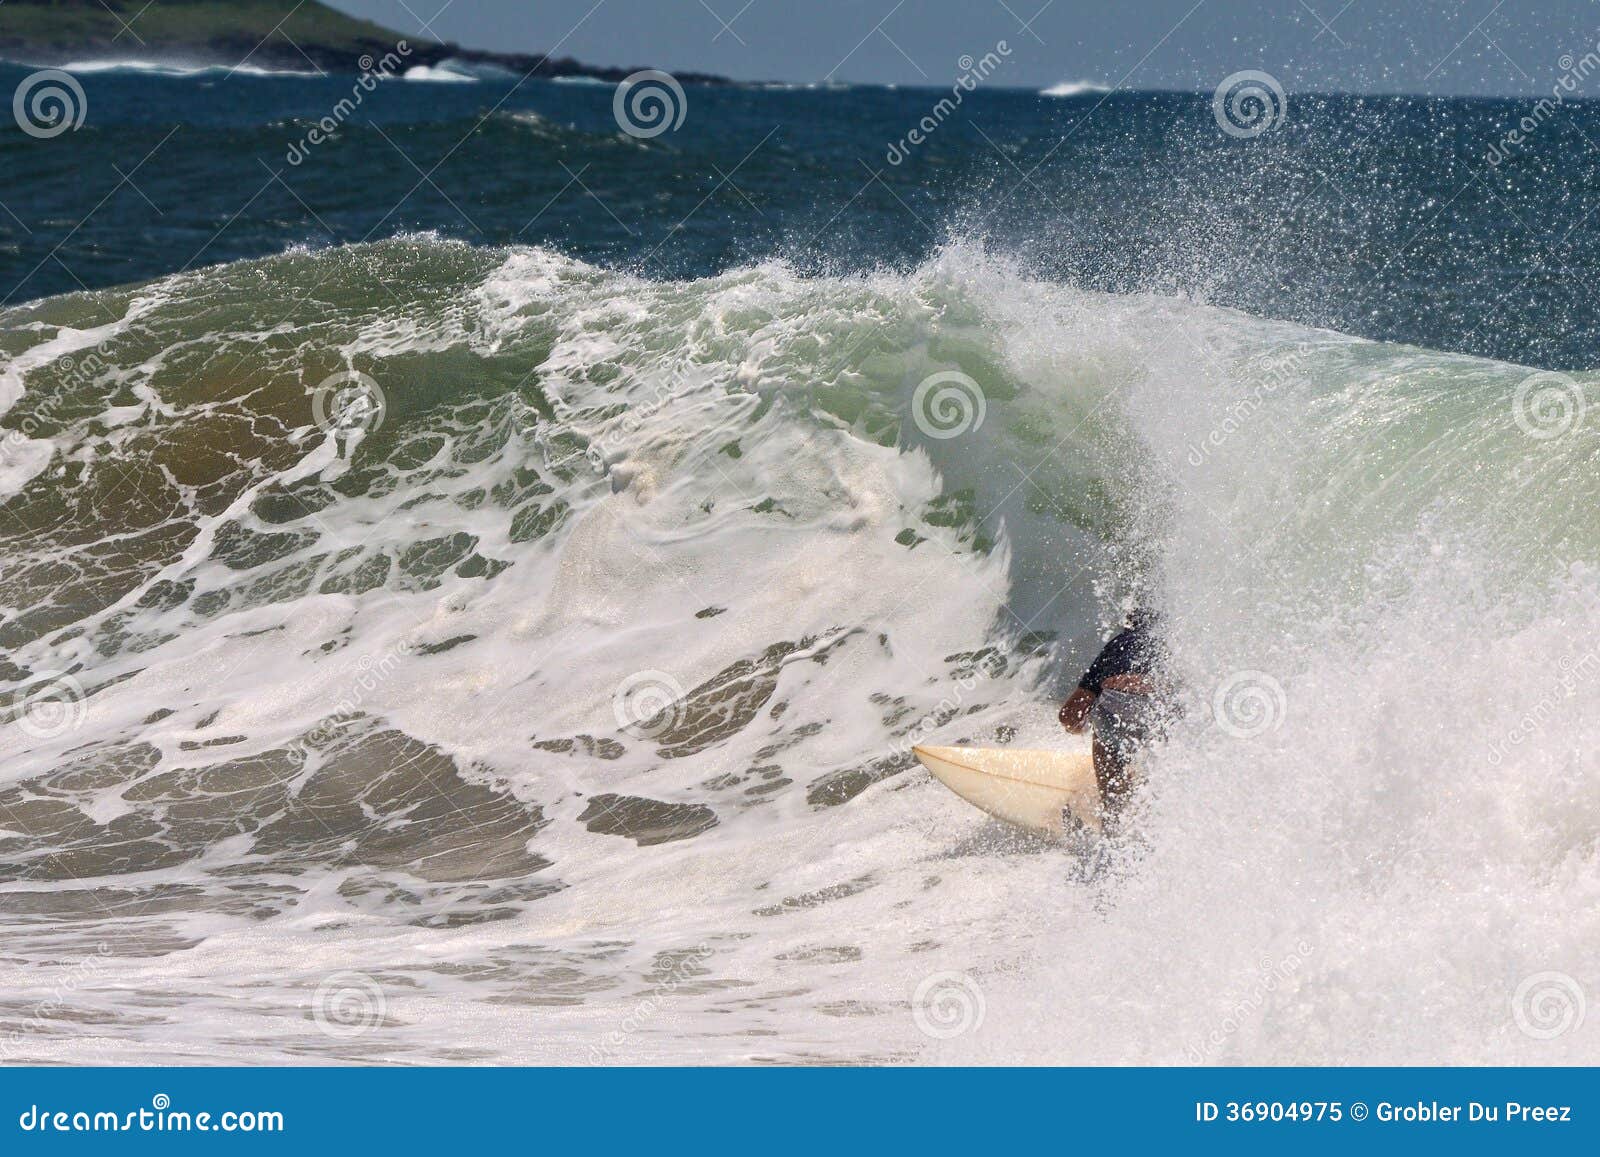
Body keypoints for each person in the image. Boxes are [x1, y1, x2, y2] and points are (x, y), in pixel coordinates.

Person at [1059, 609, 1165, 812]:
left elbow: (1070, 714)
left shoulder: (1120, 644)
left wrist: (1076, 727)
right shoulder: (1183, 646)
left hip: (1115, 710)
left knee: (1113, 803)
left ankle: (1113, 818)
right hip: (1159, 713)